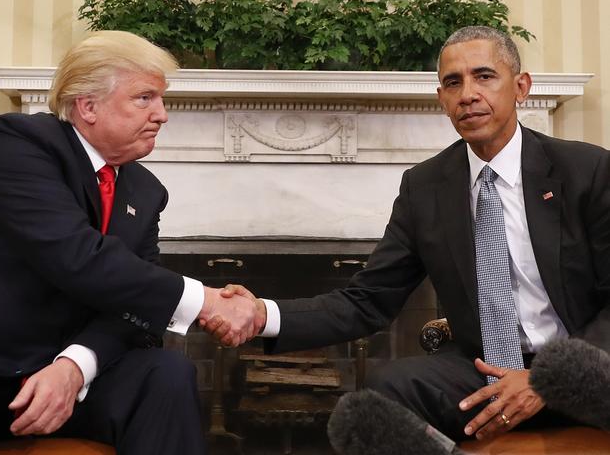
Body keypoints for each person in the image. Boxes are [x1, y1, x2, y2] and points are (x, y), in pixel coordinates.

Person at [205, 26, 610, 443]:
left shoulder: (586, 171)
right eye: (454, 83)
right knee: (380, 396)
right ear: (442, 99)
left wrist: (544, 379)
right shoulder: (426, 188)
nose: (468, 93)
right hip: (483, 372)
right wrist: (262, 315)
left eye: (484, 76)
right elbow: (367, 302)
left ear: (520, 87)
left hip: (584, 367)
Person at [0, 30, 260, 454]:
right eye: (145, 98)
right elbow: (80, 258)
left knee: (166, 372)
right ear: (88, 106)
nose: (162, 114)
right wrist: (208, 302)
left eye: (161, 99)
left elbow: (134, 309)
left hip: (76, 382)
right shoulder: (18, 145)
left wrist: (74, 367)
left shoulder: (145, 190)